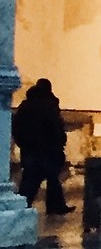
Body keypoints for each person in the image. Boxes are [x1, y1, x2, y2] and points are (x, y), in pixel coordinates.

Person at [12, 78, 71, 216]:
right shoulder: (49, 105)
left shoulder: (25, 106)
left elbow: (16, 127)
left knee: (30, 179)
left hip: (30, 149)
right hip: (48, 150)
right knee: (52, 178)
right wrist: (60, 143)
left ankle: (23, 206)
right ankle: (55, 206)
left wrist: (22, 143)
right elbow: (56, 127)